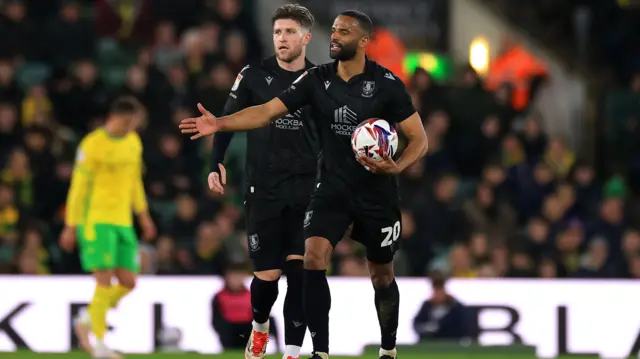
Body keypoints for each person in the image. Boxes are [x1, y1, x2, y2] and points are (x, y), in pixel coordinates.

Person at [180, 10, 428, 359]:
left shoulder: (387, 84)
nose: (336, 35)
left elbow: (419, 139)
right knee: (311, 259)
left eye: (345, 31)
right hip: (328, 190)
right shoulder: (316, 79)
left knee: (382, 276)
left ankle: (388, 349)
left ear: (362, 42)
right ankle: (318, 352)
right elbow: (266, 111)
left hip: (376, 192)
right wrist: (220, 124)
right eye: (335, 29)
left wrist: (396, 166)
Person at [209, 4, 318, 359]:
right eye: (277, 32)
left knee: (300, 275)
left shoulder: (321, 80)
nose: (281, 39)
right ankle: (259, 328)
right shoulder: (253, 75)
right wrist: (216, 163)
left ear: (306, 38)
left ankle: (292, 352)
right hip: (263, 190)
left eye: (289, 32)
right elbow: (225, 120)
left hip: (306, 191)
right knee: (267, 277)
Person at [60, 97, 156, 359]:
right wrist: (71, 225)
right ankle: (100, 346)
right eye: (132, 123)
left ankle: (87, 317)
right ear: (119, 119)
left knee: (129, 282)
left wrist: (143, 216)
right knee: (103, 282)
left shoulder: (133, 143)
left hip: (123, 222)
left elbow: (135, 181)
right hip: (96, 221)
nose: (134, 128)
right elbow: (78, 188)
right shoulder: (92, 145)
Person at [413, 271, 472, 341]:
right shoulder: (427, 306)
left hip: (450, 342)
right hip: (431, 342)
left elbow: (462, 327)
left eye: (440, 289)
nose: (438, 294)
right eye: (436, 290)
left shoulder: (455, 307)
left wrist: (440, 327)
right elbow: (417, 324)